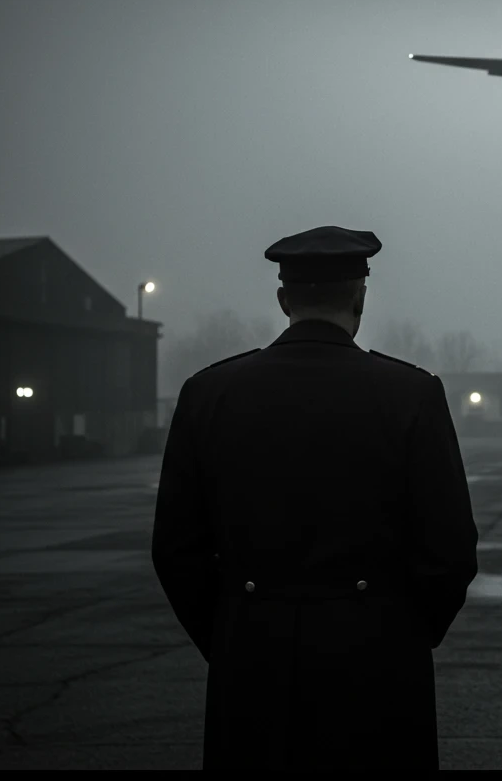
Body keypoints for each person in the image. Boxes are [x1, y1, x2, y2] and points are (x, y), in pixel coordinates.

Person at [151, 225, 479, 771]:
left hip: (252, 652)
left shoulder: (209, 393)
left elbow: (176, 548)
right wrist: (400, 633)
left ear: (283, 299)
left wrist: (234, 632)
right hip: (377, 654)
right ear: (360, 297)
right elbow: (449, 549)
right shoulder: (410, 393)